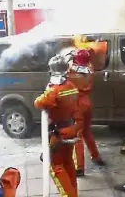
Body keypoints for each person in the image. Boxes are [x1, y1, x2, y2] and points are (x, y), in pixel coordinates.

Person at [34, 54, 80, 197]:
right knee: (68, 163)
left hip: (58, 133)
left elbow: (38, 103)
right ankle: (74, 193)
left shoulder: (54, 91)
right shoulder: (72, 86)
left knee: (56, 167)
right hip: (71, 128)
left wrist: (49, 88)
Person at [67, 48, 105, 177]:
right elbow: (83, 65)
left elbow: (65, 69)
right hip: (87, 103)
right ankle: (96, 157)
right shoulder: (90, 69)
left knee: (77, 136)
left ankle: (80, 168)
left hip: (77, 104)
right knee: (87, 132)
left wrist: (69, 56)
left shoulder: (71, 71)